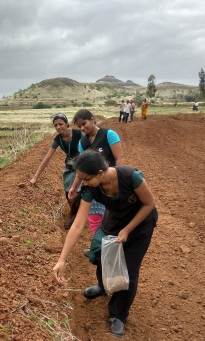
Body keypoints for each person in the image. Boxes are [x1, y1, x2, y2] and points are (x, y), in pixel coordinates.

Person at [53, 149, 158, 338]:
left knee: (129, 271)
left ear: (100, 173)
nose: (83, 183)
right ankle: (103, 286)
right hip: (114, 222)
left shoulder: (131, 177)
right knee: (100, 254)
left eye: (86, 179)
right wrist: (62, 259)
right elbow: (77, 225)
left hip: (140, 226)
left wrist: (127, 230)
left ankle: (119, 315)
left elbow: (149, 203)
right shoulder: (92, 188)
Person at [69, 109, 124, 238]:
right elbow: (81, 168)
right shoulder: (82, 143)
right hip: (93, 184)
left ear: (92, 119)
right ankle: (98, 245)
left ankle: (113, 244)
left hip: (110, 183)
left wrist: (120, 180)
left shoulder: (109, 135)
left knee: (111, 216)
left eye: (84, 123)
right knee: (94, 218)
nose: (82, 128)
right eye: (79, 126)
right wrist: (74, 186)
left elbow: (119, 158)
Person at [30, 113, 82, 228]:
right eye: (56, 125)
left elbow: (89, 147)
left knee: (77, 191)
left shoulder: (78, 134)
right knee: (67, 192)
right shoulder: (58, 139)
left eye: (61, 124)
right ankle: (76, 211)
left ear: (67, 124)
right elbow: (47, 158)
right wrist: (35, 177)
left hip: (82, 164)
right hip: (70, 166)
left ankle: (75, 216)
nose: (58, 127)